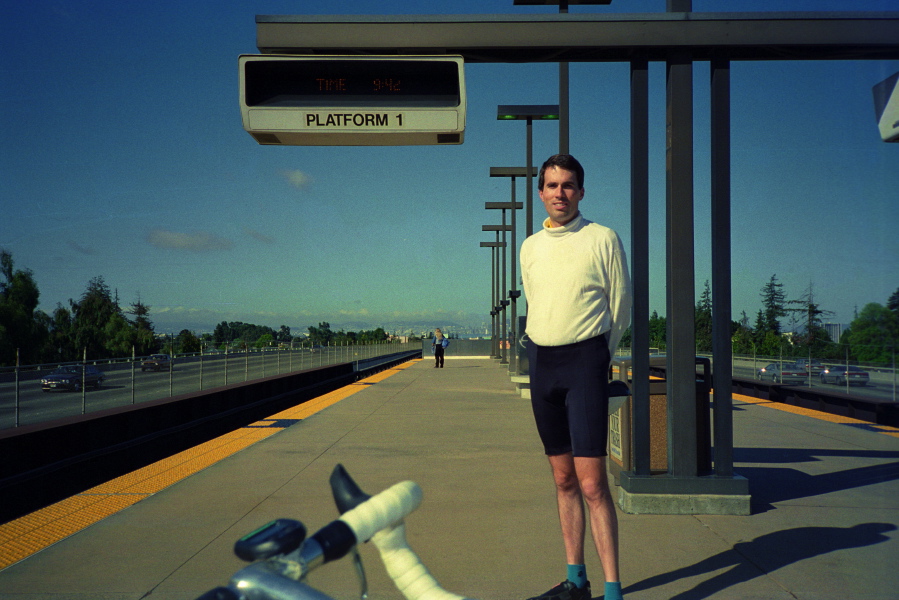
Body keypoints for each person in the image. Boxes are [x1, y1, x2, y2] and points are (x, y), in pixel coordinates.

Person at [520, 154, 632, 600]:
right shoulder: (529, 247)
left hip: (586, 361)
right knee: (562, 479)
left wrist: (599, 356)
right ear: (541, 192)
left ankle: (613, 590)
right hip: (542, 365)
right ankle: (575, 580)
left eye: (568, 186)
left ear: (581, 192)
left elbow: (620, 305)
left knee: (592, 483)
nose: (559, 194)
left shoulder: (602, 238)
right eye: (551, 186)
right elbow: (536, 297)